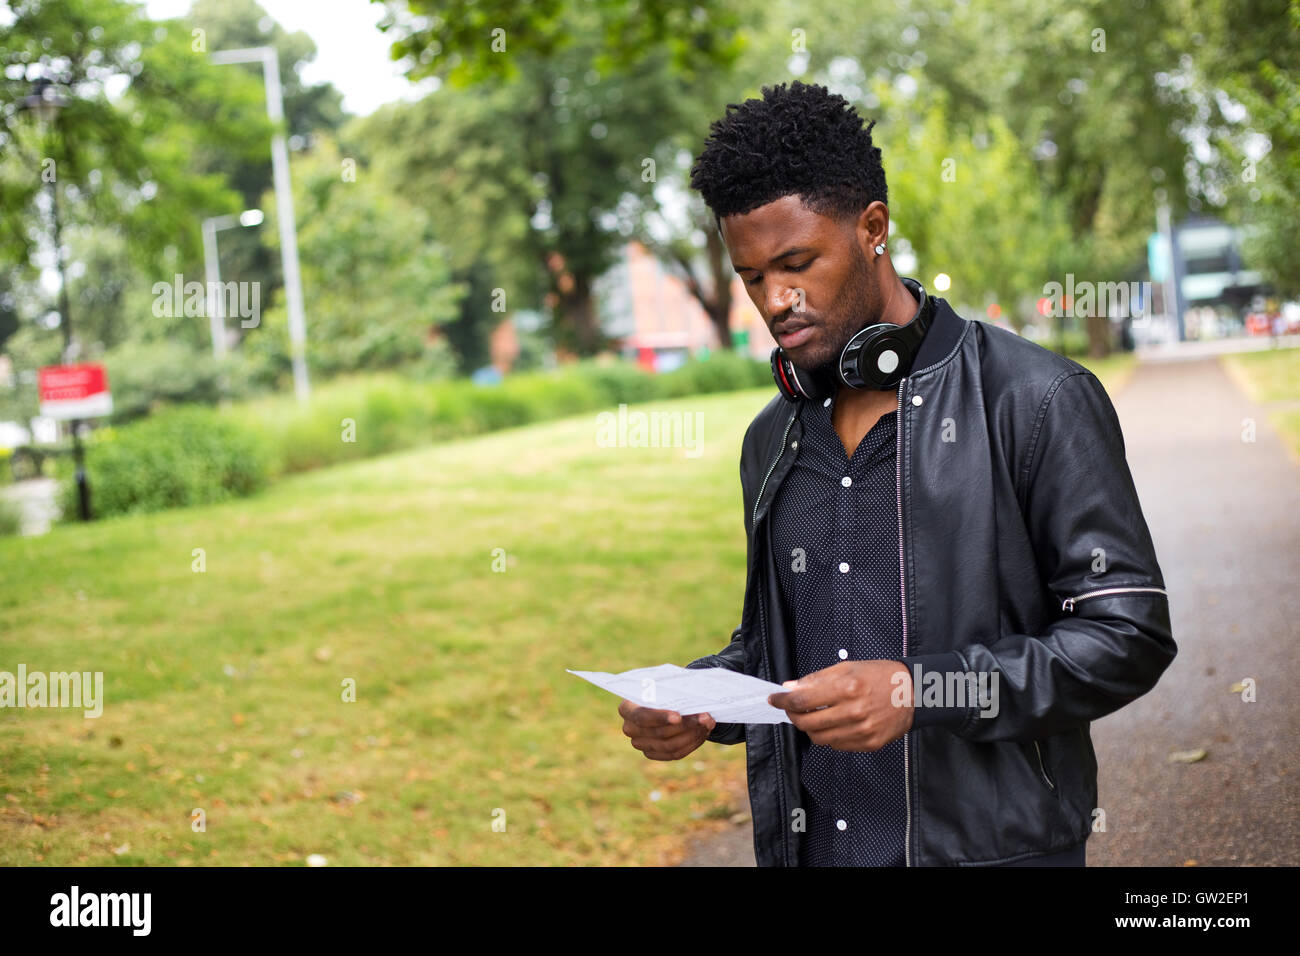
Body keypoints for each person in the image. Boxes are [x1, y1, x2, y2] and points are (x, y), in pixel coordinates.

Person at [617, 81, 1176, 867]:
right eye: (751, 277)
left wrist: (924, 690)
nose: (775, 300)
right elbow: (785, 646)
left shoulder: (1037, 401)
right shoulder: (770, 439)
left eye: (797, 262)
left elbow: (1126, 636)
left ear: (872, 228)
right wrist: (701, 701)